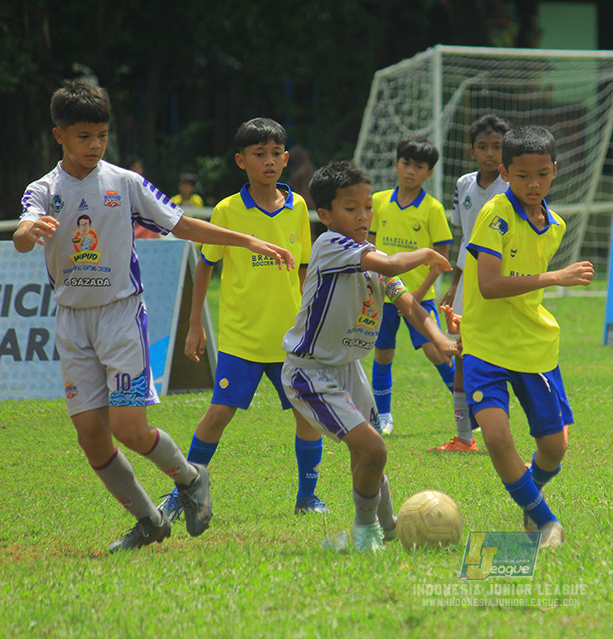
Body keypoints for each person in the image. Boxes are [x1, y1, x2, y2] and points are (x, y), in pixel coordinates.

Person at [14, 80, 295, 552]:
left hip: (121, 316)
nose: (95, 145)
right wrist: (30, 231)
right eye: (84, 136)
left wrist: (245, 239)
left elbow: (180, 223)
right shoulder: (44, 189)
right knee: (91, 438)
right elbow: (23, 232)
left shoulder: (123, 182)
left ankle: (189, 478)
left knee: (129, 428)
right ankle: (150, 520)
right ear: (60, 135)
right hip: (71, 320)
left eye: (101, 135)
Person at [280, 160, 457, 551]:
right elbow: (394, 264)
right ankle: (363, 535)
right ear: (325, 214)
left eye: (367, 207)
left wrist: (439, 339)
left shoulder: (369, 253)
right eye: (350, 208)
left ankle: (389, 528)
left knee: (368, 452)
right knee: (374, 448)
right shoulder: (330, 246)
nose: (363, 216)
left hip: (348, 369)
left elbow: (408, 303)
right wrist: (426, 252)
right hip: (310, 372)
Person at [158, 118, 327, 521]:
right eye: (258, 154)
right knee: (219, 413)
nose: (268, 162)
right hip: (241, 339)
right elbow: (205, 266)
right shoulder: (227, 210)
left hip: (290, 338)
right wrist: (195, 324)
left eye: (275, 154)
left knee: (308, 414)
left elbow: (303, 268)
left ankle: (308, 498)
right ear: (240, 161)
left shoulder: (299, 207)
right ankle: (182, 491)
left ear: (286, 158)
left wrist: (310, 319)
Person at [460, 125, 594, 549]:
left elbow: (524, 287)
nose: (532, 183)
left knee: (554, 449)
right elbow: (489, 284)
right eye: (521, 175)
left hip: (535, 347)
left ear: (555, 171)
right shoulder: (495, 214)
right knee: (497, 438)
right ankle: (544, 519)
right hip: (485, 344)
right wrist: (558, 277)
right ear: (505, 173)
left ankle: (528, 497)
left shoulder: (554, 224)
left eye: (541, 173)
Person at [433, 114, 510, 453]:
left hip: (501, 282)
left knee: (504, 355)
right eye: (483, 147)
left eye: (497, 147)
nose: (490, 153)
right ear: (471, 151)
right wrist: (453, 284)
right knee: (462, 353)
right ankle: (465, 437)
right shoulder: (464, 184)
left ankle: (510, 430)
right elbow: (466, 238)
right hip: (468, 285)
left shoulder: (512, 186)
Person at [368, 137, 454, 435]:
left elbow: (441, 257)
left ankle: (468, 408)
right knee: (383, 354)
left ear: (429, 173)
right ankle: (384, 417)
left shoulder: (432, 208)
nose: (410, 171)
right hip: (382, 295)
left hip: (419, 296)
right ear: (396, 164)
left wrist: (416, 294)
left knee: (436, 350)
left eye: (419, 167)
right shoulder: (378, 202)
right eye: (406, 163)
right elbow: (368, 244)